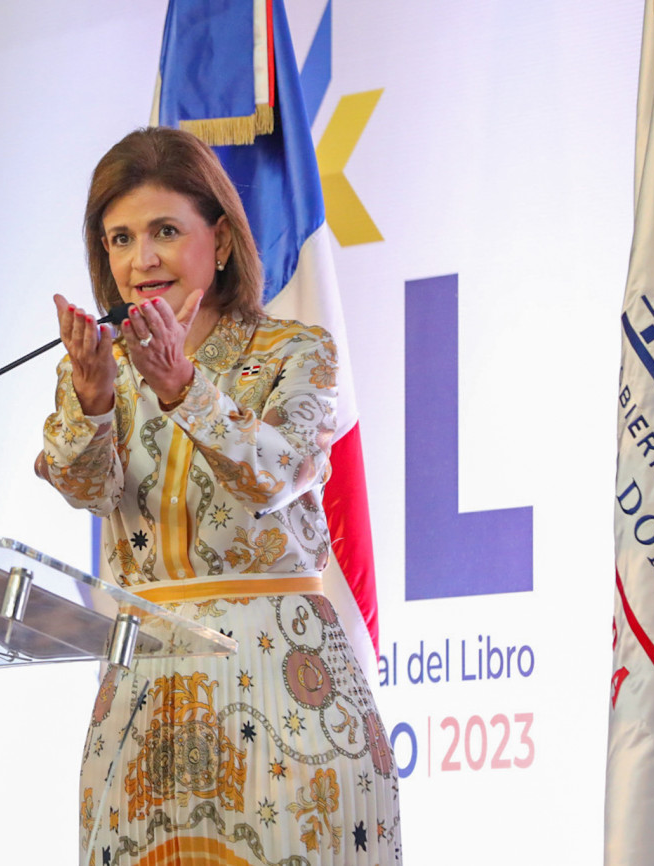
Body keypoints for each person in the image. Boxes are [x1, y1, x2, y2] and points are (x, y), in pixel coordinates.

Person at [38, 127, 400, 866]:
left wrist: (183, 387)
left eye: (165, 231)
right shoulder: (103, 367)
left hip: (282, 684)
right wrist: (94, 399)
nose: (142, 260)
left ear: (223, 240)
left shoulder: (296, 351)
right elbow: (82, 485)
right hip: (143, 691)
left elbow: (273, 474)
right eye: (120, 238)